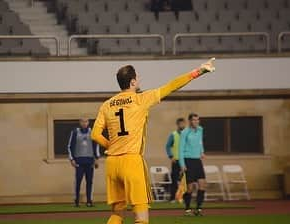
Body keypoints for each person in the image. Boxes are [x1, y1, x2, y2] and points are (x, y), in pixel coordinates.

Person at [91, 58, 215, 224]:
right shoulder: (141, 99)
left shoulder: (107, 105)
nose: (140, 80)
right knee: (141, 219)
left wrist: (111, 146)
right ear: (133, 81)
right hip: (132, 161)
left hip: (112, 163)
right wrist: (199, 71)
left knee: (117, 214)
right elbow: (171, 86)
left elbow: (95, 134)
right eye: (138, 77)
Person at [68, 118, 100, 207]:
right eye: (82, 121)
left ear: (88, 122)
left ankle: (89, 201)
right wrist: (72, 159)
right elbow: (69, 146)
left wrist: (97, 158)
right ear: (80, 122)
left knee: (89, 181)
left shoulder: (92, 132)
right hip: (79, 161)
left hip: (89, 161)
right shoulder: (75, 132)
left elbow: (96, 145)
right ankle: (76, 201)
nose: (84, 123)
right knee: (78, 181)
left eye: (86, 121)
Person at [179, 113, 206, 216]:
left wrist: (202, 152)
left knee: (202, 184)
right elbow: (180, 149)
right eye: (194, 120)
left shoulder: (200, 129)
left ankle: (198, 209)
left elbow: (200, 142)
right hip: (188, 160)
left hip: (197, 160)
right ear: (190, 121)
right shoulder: (184, 132)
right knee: (190, 188)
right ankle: (187, 209)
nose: (196, 122)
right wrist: (182, 164)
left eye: (197, 120)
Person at [165, 118, 185, 202]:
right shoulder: (173, 135)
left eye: (183, 124)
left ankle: (182, 197)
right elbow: (167, 146)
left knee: (184, 180)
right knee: (174, 179)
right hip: (176, 160)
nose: (182, 125)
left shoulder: (186, 134)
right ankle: (173, 198)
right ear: (177, 124)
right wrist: (171, 156)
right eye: (180, 124)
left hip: (184, 160)